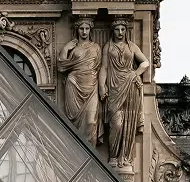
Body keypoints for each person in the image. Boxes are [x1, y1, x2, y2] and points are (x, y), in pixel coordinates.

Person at [99, 17, 149, 172]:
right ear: (112, 30)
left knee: (128, 124)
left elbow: (145, 62)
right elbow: (104, 68)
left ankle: (125, 158)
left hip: (130, 87)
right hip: (113, 88)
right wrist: (101, 86)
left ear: (126, 31)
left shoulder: (132, 47)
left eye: (123, 29)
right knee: (117, 123)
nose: (120, 32)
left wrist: (135, 73)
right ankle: (113, 156)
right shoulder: (108, 46)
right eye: (117, 29)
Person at [58, 18, 102, 146]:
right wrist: (66, 48)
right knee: (74, 125)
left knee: (91, 122)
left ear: (90, 30)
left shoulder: (96, 47)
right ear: (77, 30)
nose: (84, 31)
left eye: (87, 28)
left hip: (92, 86)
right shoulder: (73, 47)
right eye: (81, 28)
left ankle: (92, 157)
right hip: (74, 84)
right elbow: (61, 65)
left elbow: (99, 67)